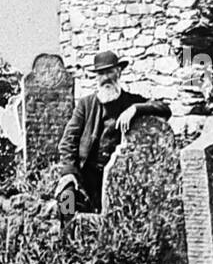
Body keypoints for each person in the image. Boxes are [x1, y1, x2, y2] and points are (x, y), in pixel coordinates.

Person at [56, 51, 171, 213]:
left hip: (120, 175)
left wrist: (136, 108)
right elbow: (68, 140)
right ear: (96, 77)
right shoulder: (86, 105)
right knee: (65, 201)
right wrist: (69, 172)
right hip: (87, 175)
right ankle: (65, 236)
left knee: (117, 219)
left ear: (119, 72)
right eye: (101, 74)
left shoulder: (131, 101)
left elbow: (165, 109)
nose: (106, 78)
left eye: (110, 72)